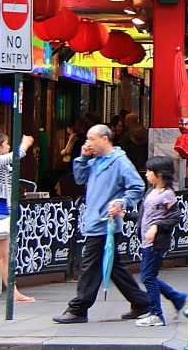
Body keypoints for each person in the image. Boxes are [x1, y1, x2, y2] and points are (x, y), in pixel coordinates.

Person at [54, 125, 149, 324]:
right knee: (113, 266)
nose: (88, 143)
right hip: (95, 221)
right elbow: (79, 178)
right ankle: (141, 301)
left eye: (92, 138)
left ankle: (79, 308)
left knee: (90, 265)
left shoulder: (120, 162)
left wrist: (122, 202)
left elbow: (138, 186)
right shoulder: (95, 160)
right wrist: (82, 157)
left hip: (105, 223)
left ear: (105, 139)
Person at [121, 156, 187, 327]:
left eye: (150, 171)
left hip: (156, 243)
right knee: (149, 276)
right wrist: (125, 215)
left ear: (160, 174)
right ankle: (176, 297)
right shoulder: (150, 192)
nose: (146, 174)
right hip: (146, 241)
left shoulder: (167, 194)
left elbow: (175, 217)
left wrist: (156, 227)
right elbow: (145, 216)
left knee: (148, 277)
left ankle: (157, 313)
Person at [0, 130, 35, 303]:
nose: (8, 146)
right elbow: (17, 155)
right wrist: (25, 143)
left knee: (4, 256)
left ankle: (13, 293)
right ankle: (14, 293)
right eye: (6, 144)